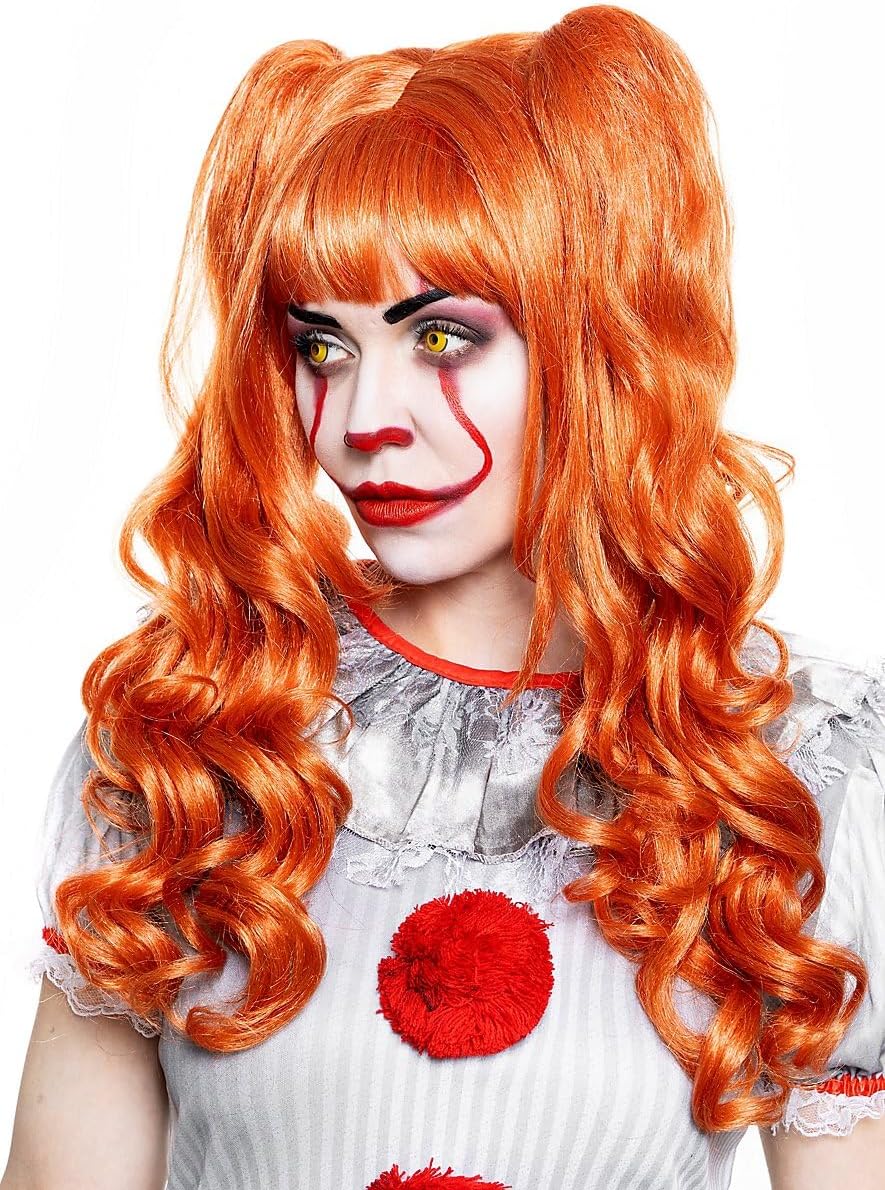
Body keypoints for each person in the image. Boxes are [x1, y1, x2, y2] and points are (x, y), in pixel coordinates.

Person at [4, 6, 884, 1189]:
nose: (364, 417)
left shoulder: (788, 766)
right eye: (323, 346)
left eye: (441, 338)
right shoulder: (194, 732)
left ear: (597, 339)